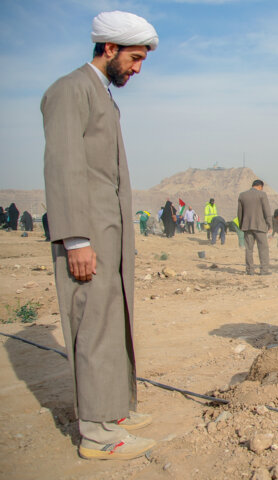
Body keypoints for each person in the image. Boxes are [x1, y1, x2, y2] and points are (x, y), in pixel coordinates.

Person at [41, 10, 158, 460]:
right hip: (86, 237)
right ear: (108, 49)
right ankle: (97, 435)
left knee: (112, 322)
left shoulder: (101, 94)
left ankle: (113, 412)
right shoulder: (70, 90)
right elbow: (64, 167)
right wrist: (76, 240)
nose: (136, 69)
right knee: (91, 326)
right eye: (133, 58)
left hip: (108, 236)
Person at [237, 180, 273, 275]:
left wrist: (241, 225)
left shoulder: (242, 195)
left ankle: (250, 271)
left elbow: (239, 213)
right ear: (260, 186)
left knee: (249, 249)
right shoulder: (262, 194)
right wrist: (270, 224)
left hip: (247, 226)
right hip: (260, 226)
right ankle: (264, 270)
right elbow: (267, 210)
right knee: (263, 248)